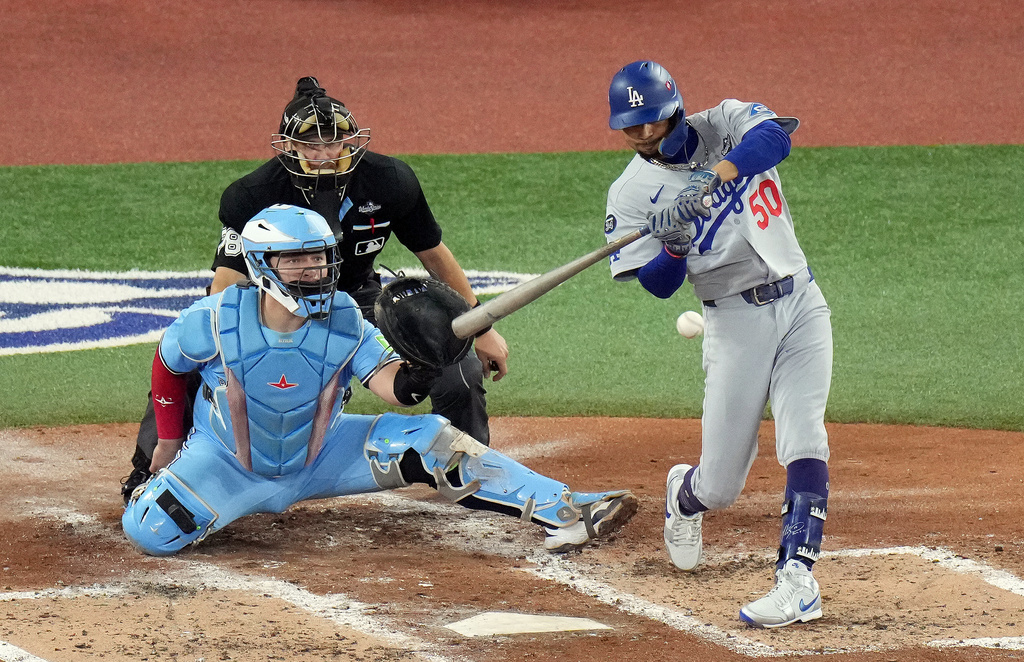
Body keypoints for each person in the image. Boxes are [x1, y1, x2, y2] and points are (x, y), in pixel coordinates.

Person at [122, 205, 637, 556]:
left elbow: (390, 384)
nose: (313, 269)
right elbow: (168, 367)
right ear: (261, 265)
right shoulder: (215, 318)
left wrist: (425, 366)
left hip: (321, 454)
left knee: (432, 438)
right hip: (227, 462)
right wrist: (168, 443)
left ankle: (567, 510)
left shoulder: (344, 316)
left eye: (321, 257)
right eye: (297, 259)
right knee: (150, 530)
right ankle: (215, 498)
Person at [121, 76, 507, 503]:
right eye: (312, 145)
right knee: (189, 360)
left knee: (459, 368)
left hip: (357, 298)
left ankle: (472, 475)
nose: (325, 154)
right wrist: (221, 333)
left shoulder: (390, 181)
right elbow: (228, 279)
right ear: (288, 146)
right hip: (271, 301)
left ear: (350, 141)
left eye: (335, 142)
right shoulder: (252, 194)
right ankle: (149, 470)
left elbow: (434, 254)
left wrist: (481, 327)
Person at [602, 61, 832, 628]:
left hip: (801, 298)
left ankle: (797, 578)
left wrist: (716, 176)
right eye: (630, 128)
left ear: (674, 110)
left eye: (649, 123)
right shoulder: (630, 194)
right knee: (723, 484)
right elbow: (654, 286)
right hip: (733, 322)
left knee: (805, 431)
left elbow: (776, 137)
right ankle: (687, 496)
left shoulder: (727, 123)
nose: (640, 136)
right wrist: (675, 247)